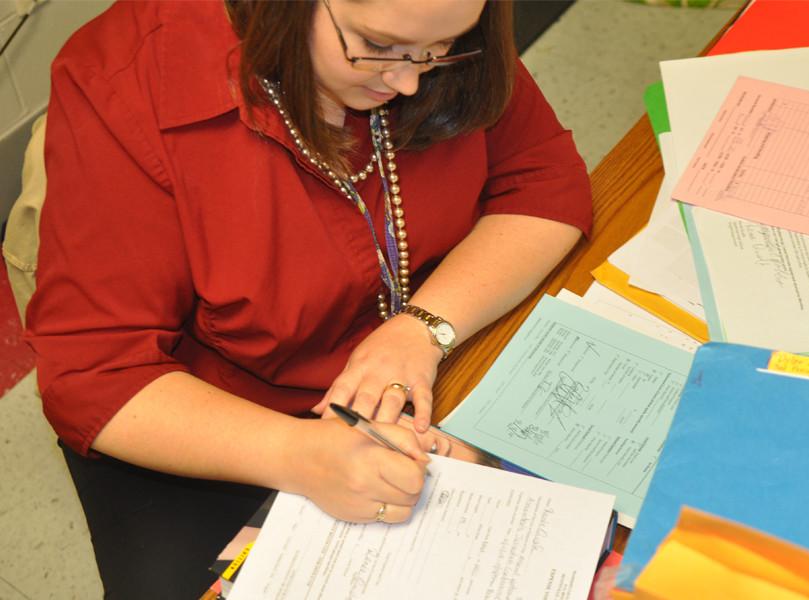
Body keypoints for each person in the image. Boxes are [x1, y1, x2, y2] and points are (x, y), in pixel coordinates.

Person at [25, 0, 591, 597]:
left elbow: (544, 182)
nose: (408, 81)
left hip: (430, 351)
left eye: (441, 47)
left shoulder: (432, 25)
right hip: (223, 420)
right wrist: (302, 455)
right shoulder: (127, 80)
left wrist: (420, 329)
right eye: (378, 46)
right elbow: (93, 373)